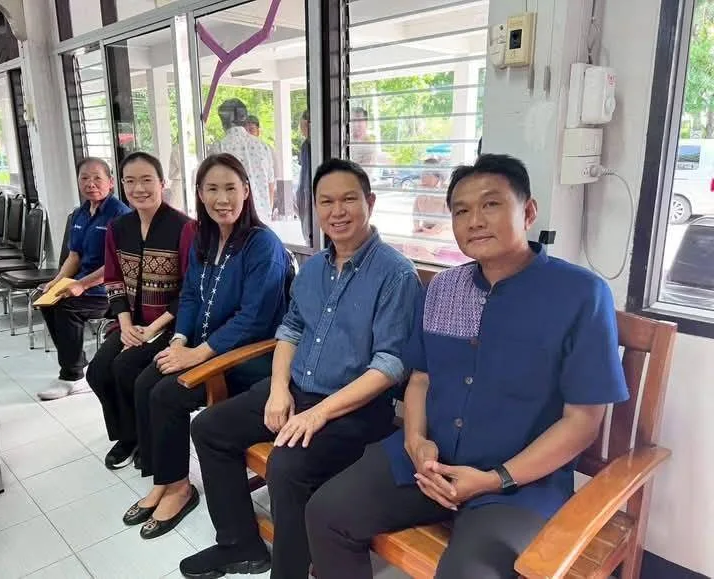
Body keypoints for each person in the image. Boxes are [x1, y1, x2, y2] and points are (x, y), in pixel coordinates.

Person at [305, 154, 630, 579]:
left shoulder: (580, 295)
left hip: (518, 484)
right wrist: (416, 442)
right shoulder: (444, 288)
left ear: (528, 212)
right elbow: (420, 379)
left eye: (491, 204)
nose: (475, 221)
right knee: (326, 513)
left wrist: (495, 479)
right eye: (461, 211)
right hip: (428, 465)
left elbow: (583, 420)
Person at [178, 159, 421, 579]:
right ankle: (240, 545)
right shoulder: (312, 269)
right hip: (296, 392)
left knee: (287, 466)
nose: (337, 211)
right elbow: (289, 330)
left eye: (349, 199)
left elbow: (390, 365)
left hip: (355, 410)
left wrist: (319, 413)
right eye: (326, 201)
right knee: (209, 428)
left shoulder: (396, 275)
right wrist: (278, 389)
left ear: (370, 202)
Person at [122, 153, 290, 540]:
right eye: (212, 189)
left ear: (246, 191)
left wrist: (197, 354)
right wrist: (180, 339)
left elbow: (254, 319)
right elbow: (191, 296)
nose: (222, 198)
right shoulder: (205, 236)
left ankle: (180, 490)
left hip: (248, 359)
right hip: (204, 348)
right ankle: (165, 481)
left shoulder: (262, 244)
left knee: (166, 394)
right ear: (200, 194)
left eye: (230, 188)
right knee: (145, 382)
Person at [86, 152, 195, 471]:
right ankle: (128, 435)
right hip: (131, 323)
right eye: (130, 181)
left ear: (162, 183)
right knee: (98, 371)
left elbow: (191, 289)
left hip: (171, 326)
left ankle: (146, 439)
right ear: (121, 185)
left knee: (125, 367)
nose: (139, 188)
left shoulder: (185, 228)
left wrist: (153, 328)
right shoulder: (118, 228)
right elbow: (113, 279)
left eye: (147, 180)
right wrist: (125, 324)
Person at [37, 157, 131, 401]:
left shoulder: (120, 215)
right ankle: (76, 365)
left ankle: (72, 377)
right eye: (84, 178)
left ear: (111, 182)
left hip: (110, 290)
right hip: (82, 284)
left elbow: (118, 264)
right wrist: (57, 281)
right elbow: (74, 256)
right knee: (46, 300)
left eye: (97, 178)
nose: (91, 183)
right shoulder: (79, 214)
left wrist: (82, 284)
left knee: (67, 307)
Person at [212, 99, 275, 222]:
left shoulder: (219, 148)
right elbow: (270, 186)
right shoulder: (263, 146)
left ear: (223, 122)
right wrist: (267, 214)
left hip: (234, 219)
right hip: (262, 218)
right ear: (245, 119)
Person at [412, 158, 449, 236]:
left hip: (442, 230)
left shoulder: (444, 192)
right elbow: (415, 212)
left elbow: (448, 216)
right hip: (425, 229)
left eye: (428, 174)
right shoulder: (421, 191)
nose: (423, 177)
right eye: (423, 173)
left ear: (438, 177)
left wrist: (434, 230)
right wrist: (416, 227)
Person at [295, 110, 312, 245]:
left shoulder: (318, 145)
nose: (302, 130)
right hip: (304, 188)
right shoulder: (305, 145)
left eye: (304, 126)